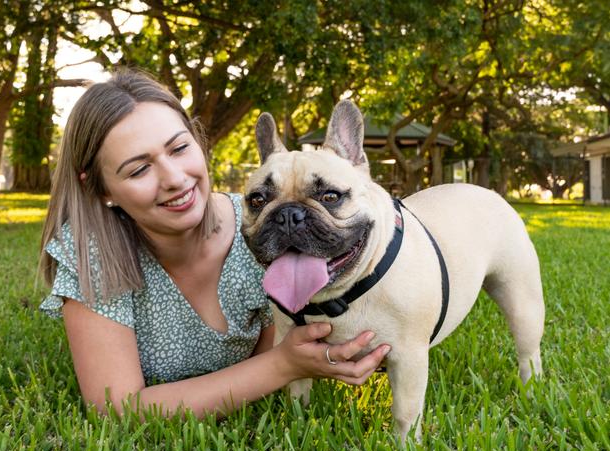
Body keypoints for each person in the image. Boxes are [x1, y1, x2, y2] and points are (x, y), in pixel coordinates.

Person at [39, 69, 391, 418]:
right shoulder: (95, 254)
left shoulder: (264, 230)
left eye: (179, 148)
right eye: (138, 170)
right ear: (100, 188)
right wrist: (282, 366)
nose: (175, 179)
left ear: (197, 141)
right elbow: (117, 408)